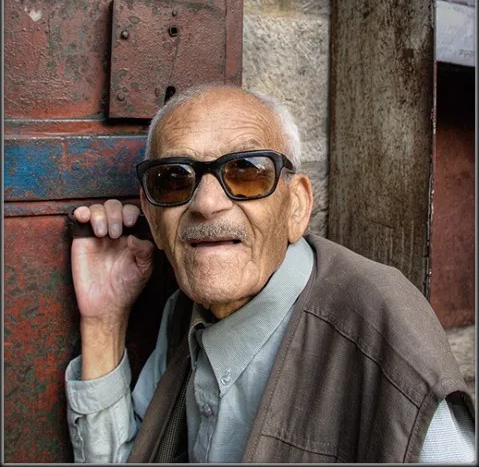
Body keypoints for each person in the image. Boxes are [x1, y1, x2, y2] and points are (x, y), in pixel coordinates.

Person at [65, 83, 475, 463]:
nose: (206, 204)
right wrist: (104, 322)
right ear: (153, 218)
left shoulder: (382, 329)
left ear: (296, 206)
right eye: (173, 180)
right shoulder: (183, 313)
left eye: (246, 172)